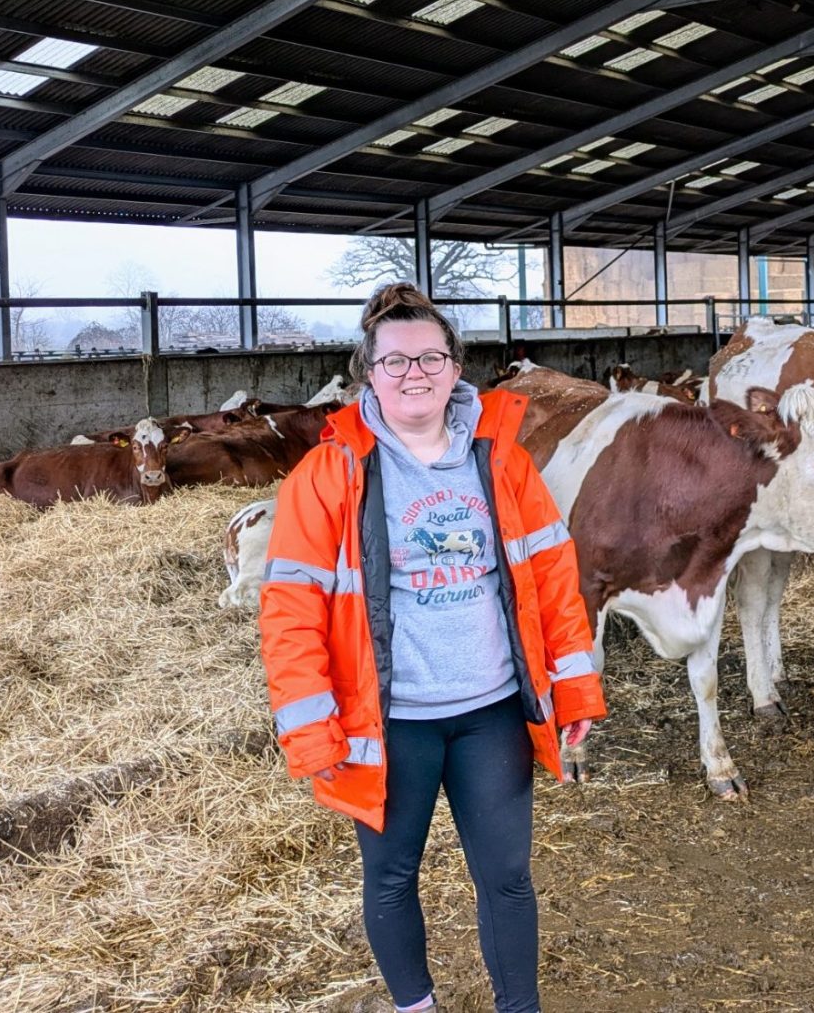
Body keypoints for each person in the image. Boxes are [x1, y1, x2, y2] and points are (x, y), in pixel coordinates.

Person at [258, 282, 606, 1013]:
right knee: (391, 877)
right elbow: (291, 611)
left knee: (508, 876)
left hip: (492, 712)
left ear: (455, 369)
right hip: (387, 722)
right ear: (367, 372)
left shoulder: (503, 460)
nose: (414, 373)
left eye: (431, 358)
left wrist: (573, 687)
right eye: (395, 362)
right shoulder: (327, 476)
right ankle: (417, 1007)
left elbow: (551, 578)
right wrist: (312, 729)